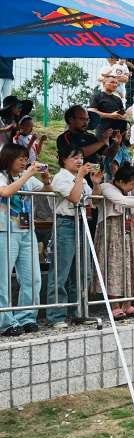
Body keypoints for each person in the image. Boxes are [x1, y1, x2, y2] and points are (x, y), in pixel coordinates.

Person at [95, 161, 134, 318]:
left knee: (130, 264)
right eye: (131, 184)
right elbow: (122, 201)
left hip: (128, 230)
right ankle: (114, 305)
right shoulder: (106, 188)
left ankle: (128, 304)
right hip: (112, 231)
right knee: (113, 266)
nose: (133, 187)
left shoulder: (128, 186)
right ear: (121, 181)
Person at [0, 143, 49, 335]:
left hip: (27, 231)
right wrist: (29, 173)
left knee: (32, 278)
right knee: (3, 279)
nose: (24, 162)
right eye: (20, 158)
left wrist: (45, 180)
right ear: (8, 158)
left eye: (25, 158)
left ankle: (26, 316)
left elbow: (45, 192)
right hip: (5, 231)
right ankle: (5, 321)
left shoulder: (24, 176)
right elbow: (5, 192)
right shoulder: (2, 175)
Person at [47, 145, 95, 326]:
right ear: (63, 160)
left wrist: (95, 183)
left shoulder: (79, 178)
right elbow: (75, 199)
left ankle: (80, 312)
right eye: (74, 157)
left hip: (82, 223)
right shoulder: (61, 177)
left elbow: (91, 201)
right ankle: (56, 316)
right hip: (65, 224)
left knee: (84, 272)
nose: (79, 160)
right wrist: (81, 176)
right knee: (61, 272)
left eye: (81, 157)